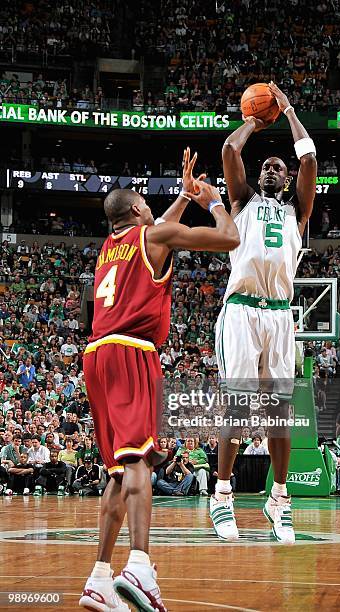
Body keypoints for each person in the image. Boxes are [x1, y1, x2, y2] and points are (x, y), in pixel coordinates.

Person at [80, 148, 239, 612]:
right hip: (133, 352)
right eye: (147, 202)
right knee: (140, 465)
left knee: (117, 470)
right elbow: (228, 239)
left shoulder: (111, 247)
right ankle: (141, 566)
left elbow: (158, 230)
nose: (153, 206)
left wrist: (181, 195)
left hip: (97, 354)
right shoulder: (153, 235)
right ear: (135, 210)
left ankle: (98, 578)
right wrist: (210, 200)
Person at [210, 81, 317, 544]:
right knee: (237, 403)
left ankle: (279, 498)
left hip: (278, 315)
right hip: (241, 310)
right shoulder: (243, 202)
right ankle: (222, 494)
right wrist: (255, 117)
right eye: (267, 167)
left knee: (279, 411)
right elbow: (230, 150)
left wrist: (288, 110)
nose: (272, 170)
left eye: (279, 167)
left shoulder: (298, 212)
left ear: (287, 178)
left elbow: (310, 159)